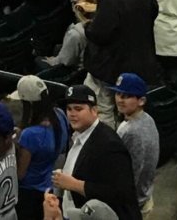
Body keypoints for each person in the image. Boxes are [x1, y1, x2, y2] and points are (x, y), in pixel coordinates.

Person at [51, 85, 140, 220]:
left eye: (78, 109)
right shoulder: (78, 135)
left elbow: (121, 193)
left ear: (94, 110)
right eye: (69, 109)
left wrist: (75, 184)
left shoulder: (109, 144)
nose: (72, 114)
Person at [9, 75, 68, 220]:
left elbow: (20, 174)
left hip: (28, 195)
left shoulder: (30, 135)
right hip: (49, 189)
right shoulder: (60, 116)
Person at [108, 74, 159, 216]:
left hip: (134, 204)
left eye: (126, 96)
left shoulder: (132, 131)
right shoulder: (147, 118)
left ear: (141, 100)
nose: (119, 99)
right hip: (145, 195)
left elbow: (133, 172)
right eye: (118, 93)